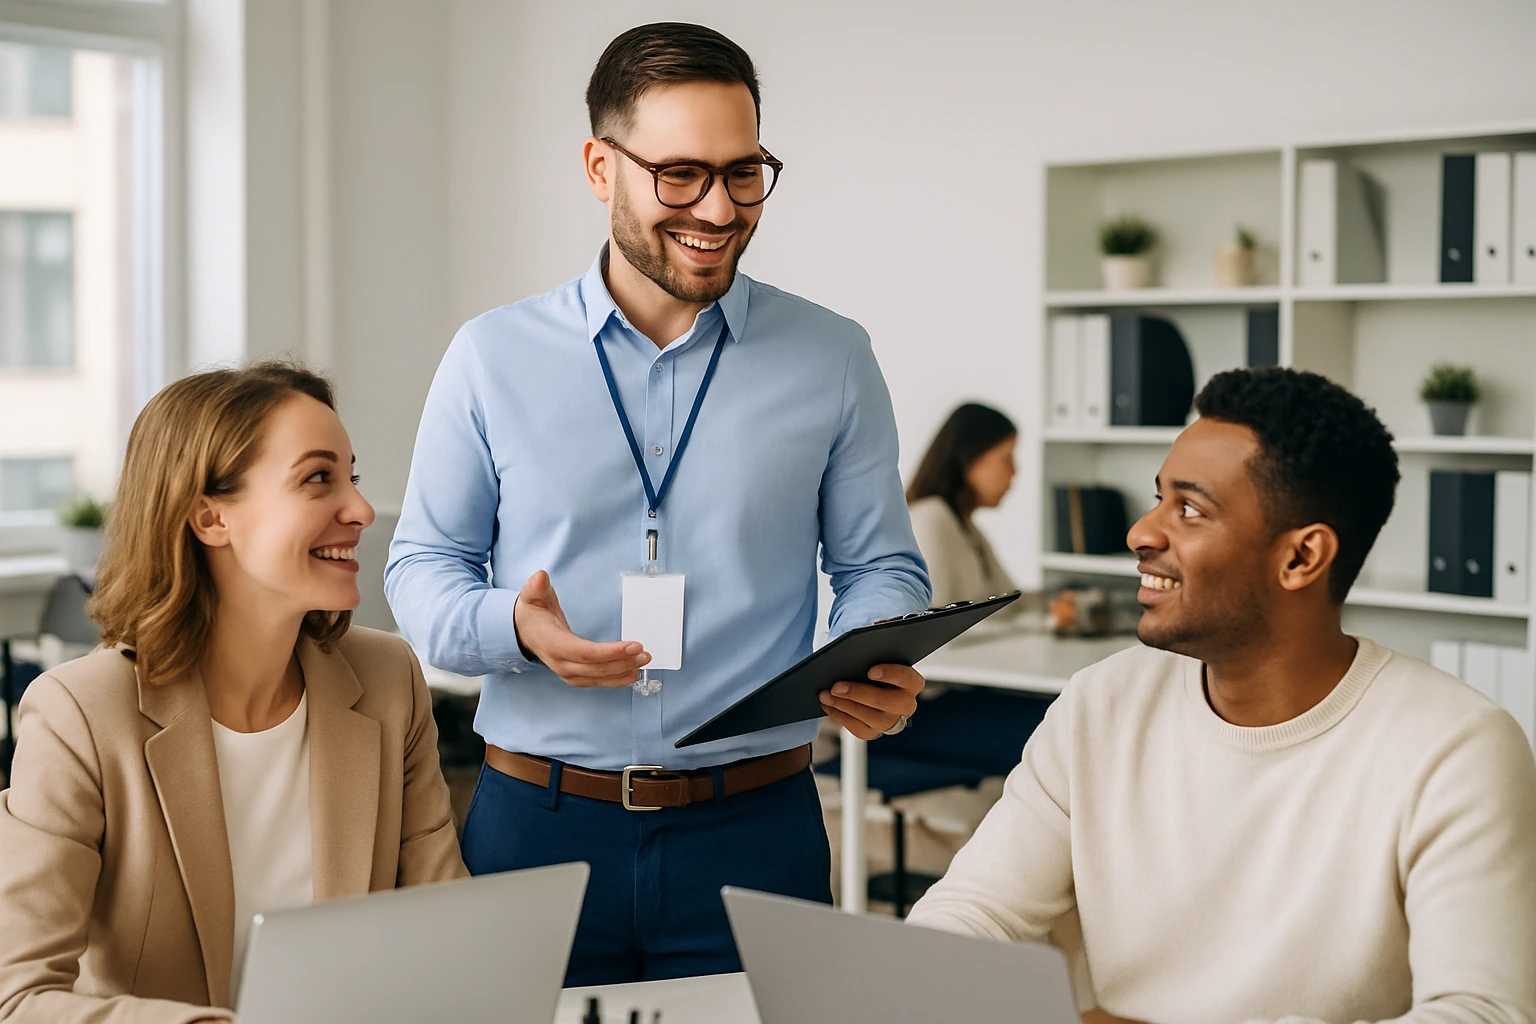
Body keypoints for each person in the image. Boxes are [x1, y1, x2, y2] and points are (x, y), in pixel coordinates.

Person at [385, 22, 930, 985]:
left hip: (757, 830)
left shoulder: (834, 355)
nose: (718, 208)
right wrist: (514, 627)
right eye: (680, 174)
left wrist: (873, 650)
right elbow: (422, 570)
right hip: (535, 828)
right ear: (601, 167)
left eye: (744, 171)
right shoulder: (489, 356)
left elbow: (878, 563)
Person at [908, 367, 1536, 1024]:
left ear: (1301, 558)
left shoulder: (1457, 748)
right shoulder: (1101, 704)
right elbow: (977, 910)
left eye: (1189, 509)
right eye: (1158, 499)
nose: (1141, 533)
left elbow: (1483, 1014)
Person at [0, 363, 467, 1024]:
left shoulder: (389, 680)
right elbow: (17, 1000)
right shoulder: (78, 715)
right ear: (209, 517)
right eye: (317, 478)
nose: (361, 509)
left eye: (351, 477)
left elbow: (447, 941)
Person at [906, 403, 1018, 606]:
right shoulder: (930, 519)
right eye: (1006, 458)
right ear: (970, 457)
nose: (1014, 472)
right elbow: (932, 623)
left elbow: (1010, 602)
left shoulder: (965, 526)